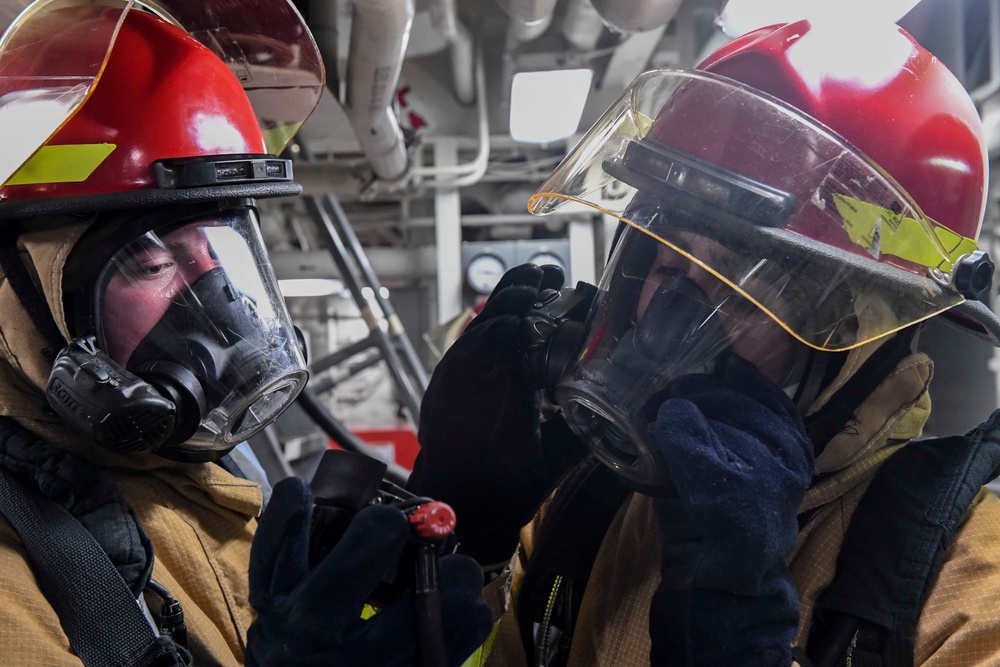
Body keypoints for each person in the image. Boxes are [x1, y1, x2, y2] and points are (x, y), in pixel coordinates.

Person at [410, 17, 1000, 666]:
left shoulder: (965, 580)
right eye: (669, 261)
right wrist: (456, 551)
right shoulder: (585, 516)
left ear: (868, 340)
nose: (673, 320)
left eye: (746, 288)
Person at [0, 2, 492, 665]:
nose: (219, 303)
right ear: (17, 298)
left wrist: (484, 521)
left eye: (224, 253)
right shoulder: (16, 560)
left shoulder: (213, 465)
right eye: (152, 263)